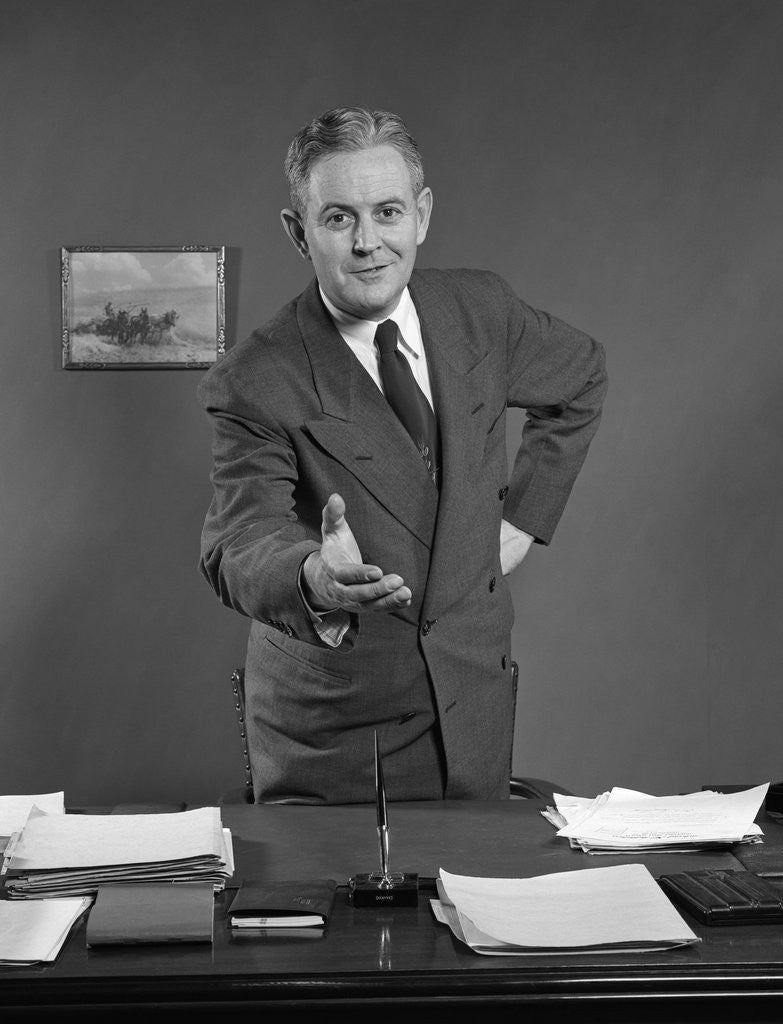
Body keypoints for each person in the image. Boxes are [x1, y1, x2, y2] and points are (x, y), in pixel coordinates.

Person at [198, 106, 607, 804]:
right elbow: (236, 542)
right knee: (350, 911)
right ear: (299, 233)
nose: (368, 243)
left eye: (386, 212)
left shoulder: (480, 308)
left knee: (472, 901)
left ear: (420, 216)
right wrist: (313, 578)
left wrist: (522, 521)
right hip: (336, 722)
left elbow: (580, 376)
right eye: (337, 219)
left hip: (472, 695)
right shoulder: (256, 377)